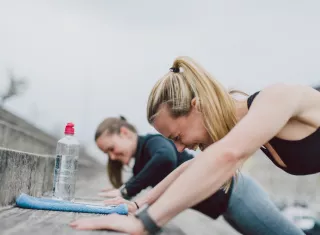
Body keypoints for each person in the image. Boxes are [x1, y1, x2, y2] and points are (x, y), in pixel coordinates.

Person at [70, 56, 320, 235]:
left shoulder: (278, 98)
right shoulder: (239, 126)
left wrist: (144, 224)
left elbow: (227, 156)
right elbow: (187, 168)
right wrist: (138, 206)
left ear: (197, 106)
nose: (179, 149)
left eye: (177, 137)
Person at [71, 116, 304, 235]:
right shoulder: (142, 162)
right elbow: (171, 185)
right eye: (107, 154)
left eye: (111, 148)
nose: (112, 157)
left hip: (238, 195)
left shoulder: (153, 143)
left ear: (125, 133)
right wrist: (134, 205)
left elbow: (166, 159)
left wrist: (127, 191)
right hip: (226, 207)